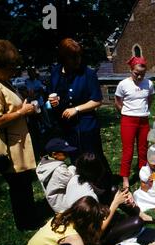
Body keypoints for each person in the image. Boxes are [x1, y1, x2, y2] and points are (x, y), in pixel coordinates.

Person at [0, 39, 40, 231]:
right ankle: (26, 223)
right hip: (8, 145)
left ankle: (29, 217)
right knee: (19, 186)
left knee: (23, 183)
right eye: (11, 66)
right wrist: (23, 112)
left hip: (16, 141)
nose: (14, 70)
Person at [48, 38, 108, 172]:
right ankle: (81, 187)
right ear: (64, 57)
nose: (77, 60)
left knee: (93, 157)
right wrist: (53, 102)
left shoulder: (88, 74)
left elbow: (97, 100)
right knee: (75, 158)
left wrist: (77, 109)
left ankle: (102, 186)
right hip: (66, 126)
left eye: (79, 56)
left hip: (86, 126)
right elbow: (52, 95)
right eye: (72, 57)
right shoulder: (55, 73)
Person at [115, 56, 154, 189]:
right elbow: (118, 101)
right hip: (128, 120)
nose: (139, 77)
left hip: (143, 120)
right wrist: (125, 112)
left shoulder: (149, 84)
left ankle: (142, 174)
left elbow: (150, 98)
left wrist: (144, 110)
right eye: (136, 74)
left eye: (142, 74)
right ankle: (125, 178)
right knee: (128, 150)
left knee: (143, 149)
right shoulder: (123, 84)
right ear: (131, 70)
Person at [36, 138, 77, 213]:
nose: (67, 154)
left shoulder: (43, 166)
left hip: (56, 203)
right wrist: (72, 167)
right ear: (54, 154)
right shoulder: (58, 170)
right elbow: (71, 179)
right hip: (66, 205)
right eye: (64, 152)